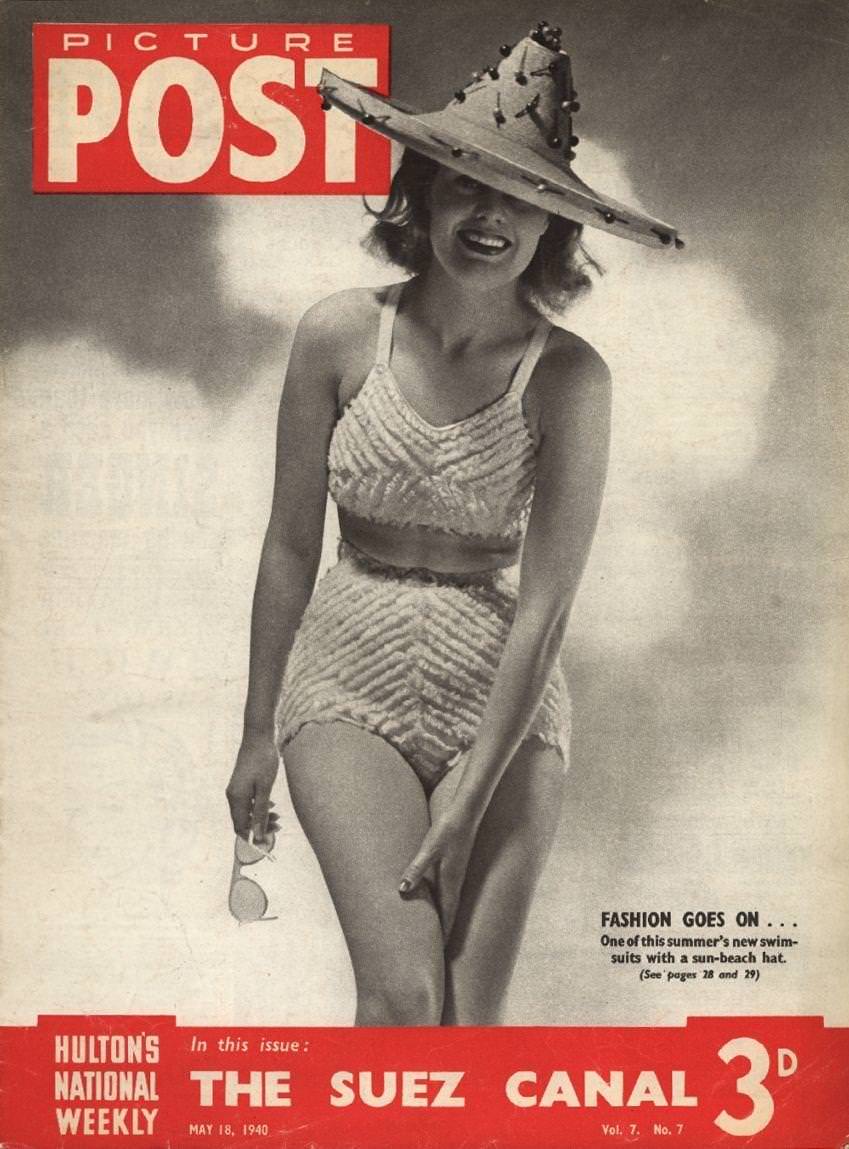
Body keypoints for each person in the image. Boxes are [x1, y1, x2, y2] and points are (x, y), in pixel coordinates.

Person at [226, 23, 682, 1025]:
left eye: (523, 199)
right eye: (469, 185)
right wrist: (258, 729)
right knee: (404, 999)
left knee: (471, 1024)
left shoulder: (572, 378)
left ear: (555, 227)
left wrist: (473, 791)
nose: (493, 217)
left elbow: (550, 604)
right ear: (422, 190)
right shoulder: (340, 334)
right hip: (346, 684)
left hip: (507, 703)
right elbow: (290, 544)